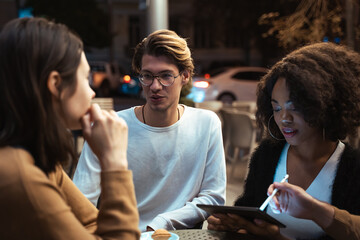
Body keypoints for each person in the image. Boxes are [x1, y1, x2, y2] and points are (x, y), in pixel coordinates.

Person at [0, 17, 140, 239]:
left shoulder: (36, 157)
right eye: (86, 78)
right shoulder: (19, 176)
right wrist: (114, 162)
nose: (92, 92)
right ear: (56, 84)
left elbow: (89, 221)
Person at [74, 29, 227, 232]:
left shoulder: (206, 124)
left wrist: (162, 222)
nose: (155, 86)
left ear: (185, 76)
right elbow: (82, 199)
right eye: (147, 76)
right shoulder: (110, 127)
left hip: (178, 235)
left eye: (165, 76)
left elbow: (213, 196)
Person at [207, 42, 360, 240]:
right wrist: (232, 224)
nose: (284, 118)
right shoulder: (267, 155)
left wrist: (314, 210)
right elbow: (249, 214)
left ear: (325, 104)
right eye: (277, 108)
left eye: (294, 107)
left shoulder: (352, 166)